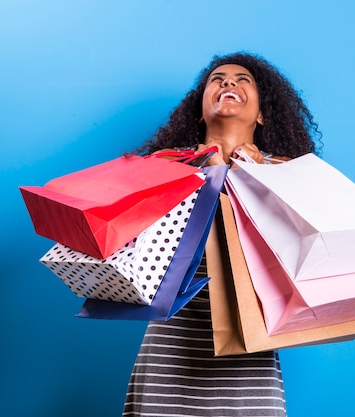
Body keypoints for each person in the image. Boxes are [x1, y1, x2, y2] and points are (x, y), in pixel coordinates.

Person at [122, 52, 320, 417]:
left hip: (249, 351)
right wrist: (201, 177)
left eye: (243, 79)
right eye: (218, 79)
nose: (229, 83)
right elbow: (138, 254)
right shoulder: (166, 166)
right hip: (172, 346)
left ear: (261, 114)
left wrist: (254, 179)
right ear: (200, 110)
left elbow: (299, 255)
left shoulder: (288, 172)